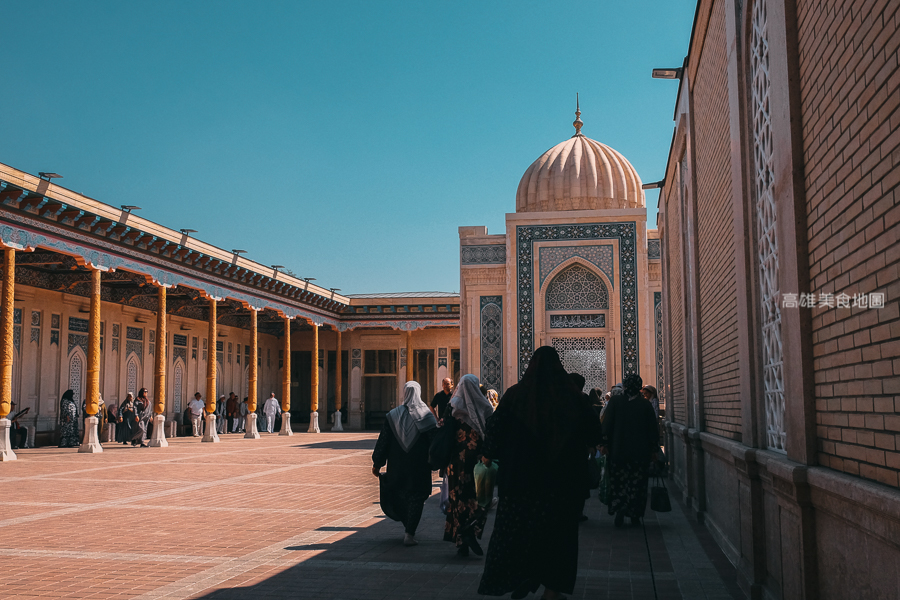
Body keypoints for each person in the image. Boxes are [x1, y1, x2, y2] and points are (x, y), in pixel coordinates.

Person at [478, 346, 602, 600]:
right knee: (559, 537)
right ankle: (552, 590)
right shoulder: (574, 397)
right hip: (563, 485)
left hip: (520, 482)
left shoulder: (515, 395)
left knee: (521, 533)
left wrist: (491, 455)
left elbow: (493, 432)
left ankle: (524, 575)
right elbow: (594, 434)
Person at [372, 381, 438, 547]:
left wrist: (377, 463)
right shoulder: (427, 416)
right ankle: (410, 531)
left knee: (401, 494)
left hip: (398, 465)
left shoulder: (393, 415)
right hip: (419, 466)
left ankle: (407, 525)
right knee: (417, 497)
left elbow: (384, 441)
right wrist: (437, 463)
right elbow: (434, 444)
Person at [444, 374, 493, 558]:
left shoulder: (453, 405)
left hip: (456, 464)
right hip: (478, 462)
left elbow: (446, 433)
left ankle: (462, 540)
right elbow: (491, 435)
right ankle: (469, 532)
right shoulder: (485, 407)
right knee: (479, 499)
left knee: (458, 501)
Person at [601, 373, 659, 527]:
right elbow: (652, 430)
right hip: (639, 454)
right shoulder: (645, 405)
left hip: (618, 452)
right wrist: (654, 449)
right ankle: (635, 514)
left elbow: (607, 424)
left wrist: (604, 444)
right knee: (637, 484)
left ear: (626, 386)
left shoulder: (615, 402)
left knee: (619, 482)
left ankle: (619, 510)